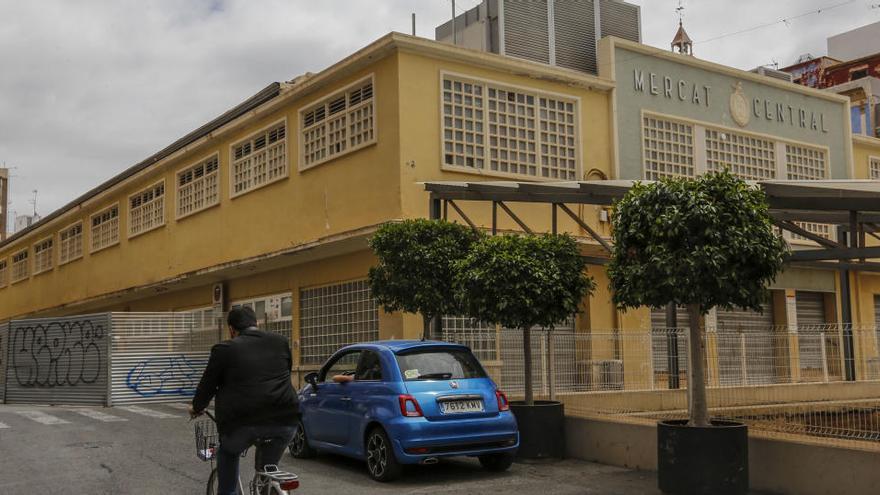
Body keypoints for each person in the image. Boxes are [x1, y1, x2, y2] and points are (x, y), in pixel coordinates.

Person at [190, 307, 298, 495]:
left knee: (228, 452)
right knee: (267, 467)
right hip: (286, 421)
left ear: (231, 329)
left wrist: (197, 407)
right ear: (257, 323)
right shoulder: (280, 342)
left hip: (243, 423)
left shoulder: (224, 349)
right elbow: (285, 372)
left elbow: (207, 385)